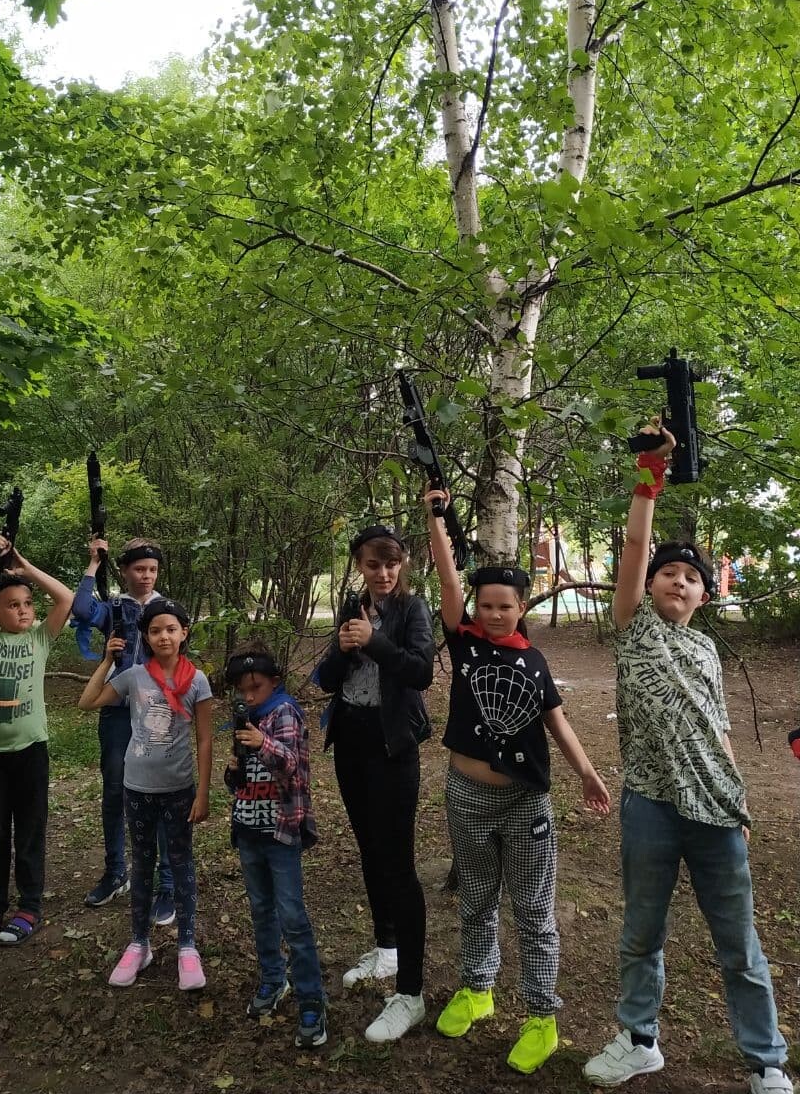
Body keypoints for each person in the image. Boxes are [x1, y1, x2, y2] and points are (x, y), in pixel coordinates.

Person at [584, 420, 793, 1094]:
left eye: (691, 577)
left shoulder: (706, 650)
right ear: (649, 586)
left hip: (715, 809)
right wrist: (651, 470)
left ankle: (765, 1061)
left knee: (740, 945)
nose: (678, 581)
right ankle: (640, 1040)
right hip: (650, 804)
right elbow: (638, 540)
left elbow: (720, 731)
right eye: (668, 574)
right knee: (642, 932)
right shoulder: (633, 628)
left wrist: (738, 802)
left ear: (706, 595)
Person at [424, 488, 610, 1073]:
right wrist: (436, 519)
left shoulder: (535, 662)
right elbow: (448, 585)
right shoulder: (466, 645)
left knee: (532, 908)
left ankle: (541, 1017)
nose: (494, 614)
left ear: (522, 607)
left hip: (524, 803)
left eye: (506, 606)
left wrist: (585, 772)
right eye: (486, 605)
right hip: (465, 796)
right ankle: (478, 988)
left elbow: (557, 721)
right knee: (476, 900)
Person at [315, 524, 434, 1042]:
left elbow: (422, 671)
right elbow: (325, 679)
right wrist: (344, 647)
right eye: (372, 565)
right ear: (358, 566)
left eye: (390, 564)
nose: (382, 574)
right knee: (367, 847)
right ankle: (385, 947)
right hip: (353, 740)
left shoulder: (413, 610)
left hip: (393, 747)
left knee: (398, 862)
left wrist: (374, 641)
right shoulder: (350, 605)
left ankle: (411, 991)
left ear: (403, 563)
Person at [79, 596, 212, 991]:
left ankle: (187, 945)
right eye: (156, 631)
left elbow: (205, 741)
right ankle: (140, 942)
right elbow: (88, 702)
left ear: (184, 633)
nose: (164, 636)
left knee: (181, 864)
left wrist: (202, 793)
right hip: (137, 787)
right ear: (147, 637)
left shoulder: (197, 680)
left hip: (178, 788)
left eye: (171, 629)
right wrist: (107, 660)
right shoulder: (135, 676)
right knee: (141, 865)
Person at [0, 535, 74, 946]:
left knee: (29, 831)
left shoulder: (40, 639)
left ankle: (29, 907)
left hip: (31, 753)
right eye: (12, 604)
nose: (23, 610)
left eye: (27, 603)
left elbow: (65, 598)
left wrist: (26, 570)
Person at [224, 644, 326, 1049]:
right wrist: (233, 771)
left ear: (275, 682)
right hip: (248, 830)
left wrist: (260, 743)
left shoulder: (284, 712)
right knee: (261, 910)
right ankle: (272, 979)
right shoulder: (246, 716)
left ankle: (312, 1000)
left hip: (281, 833)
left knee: (292, 916)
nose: (249, 696)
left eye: (257, 687)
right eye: (243, 690)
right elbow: (241, 782)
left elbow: (292, 768)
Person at [72, 536, 175, 918]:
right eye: (138, 569)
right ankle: (116, 871)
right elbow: (81, 608)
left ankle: (167, 883)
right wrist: (94, 563)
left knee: (162, 794)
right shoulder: (114, 608)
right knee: (115, 789)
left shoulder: (166, 610)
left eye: (152, 570)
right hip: (117, 709)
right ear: (125, 570)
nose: (146, 577)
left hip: (156, 712)